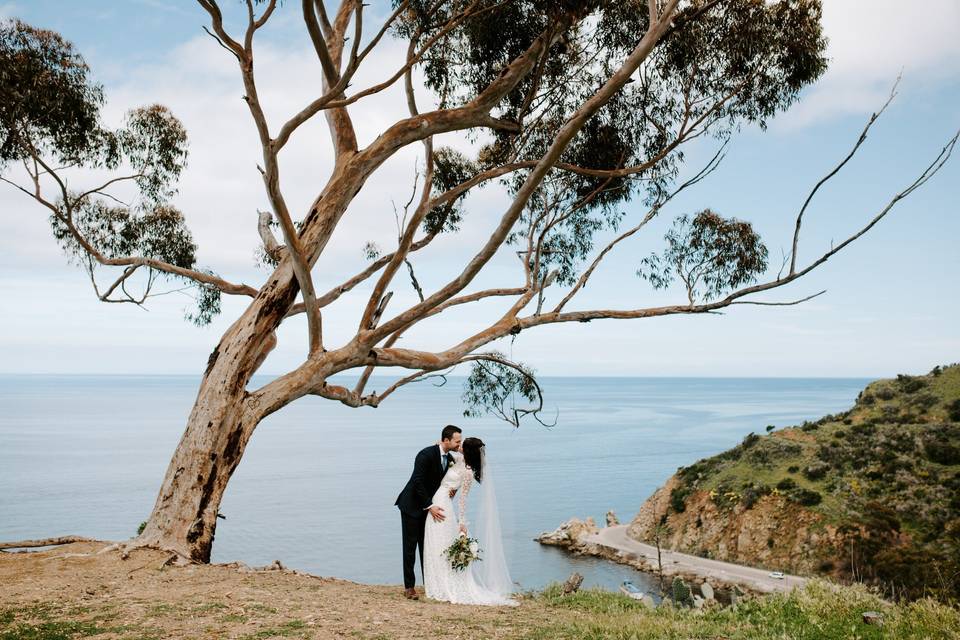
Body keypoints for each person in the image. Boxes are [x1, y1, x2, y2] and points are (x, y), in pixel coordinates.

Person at [422, 437, 517, 606]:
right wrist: (456, 448)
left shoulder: (467, 472)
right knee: (435, 542)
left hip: (442, 505)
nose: (459, 446)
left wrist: (462, 523)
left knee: (439, 542)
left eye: (462, 444)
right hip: (438, 499)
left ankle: (443, 584)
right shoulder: (458, 459)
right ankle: (435, 582)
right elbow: (440, 444)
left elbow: (463, 500)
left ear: (467, 450)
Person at [395, 425, 462, 600]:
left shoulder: (450, 458)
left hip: (430, 508)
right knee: (410, 547)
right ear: (446, 440)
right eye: (457, 441)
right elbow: (417, 482)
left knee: (427, 547)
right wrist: (429, 505)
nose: (458, 444)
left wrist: (451, 489)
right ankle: (409, 587)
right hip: (412, 505)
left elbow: (445, 480)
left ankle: (430, 584)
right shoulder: (425, 454)